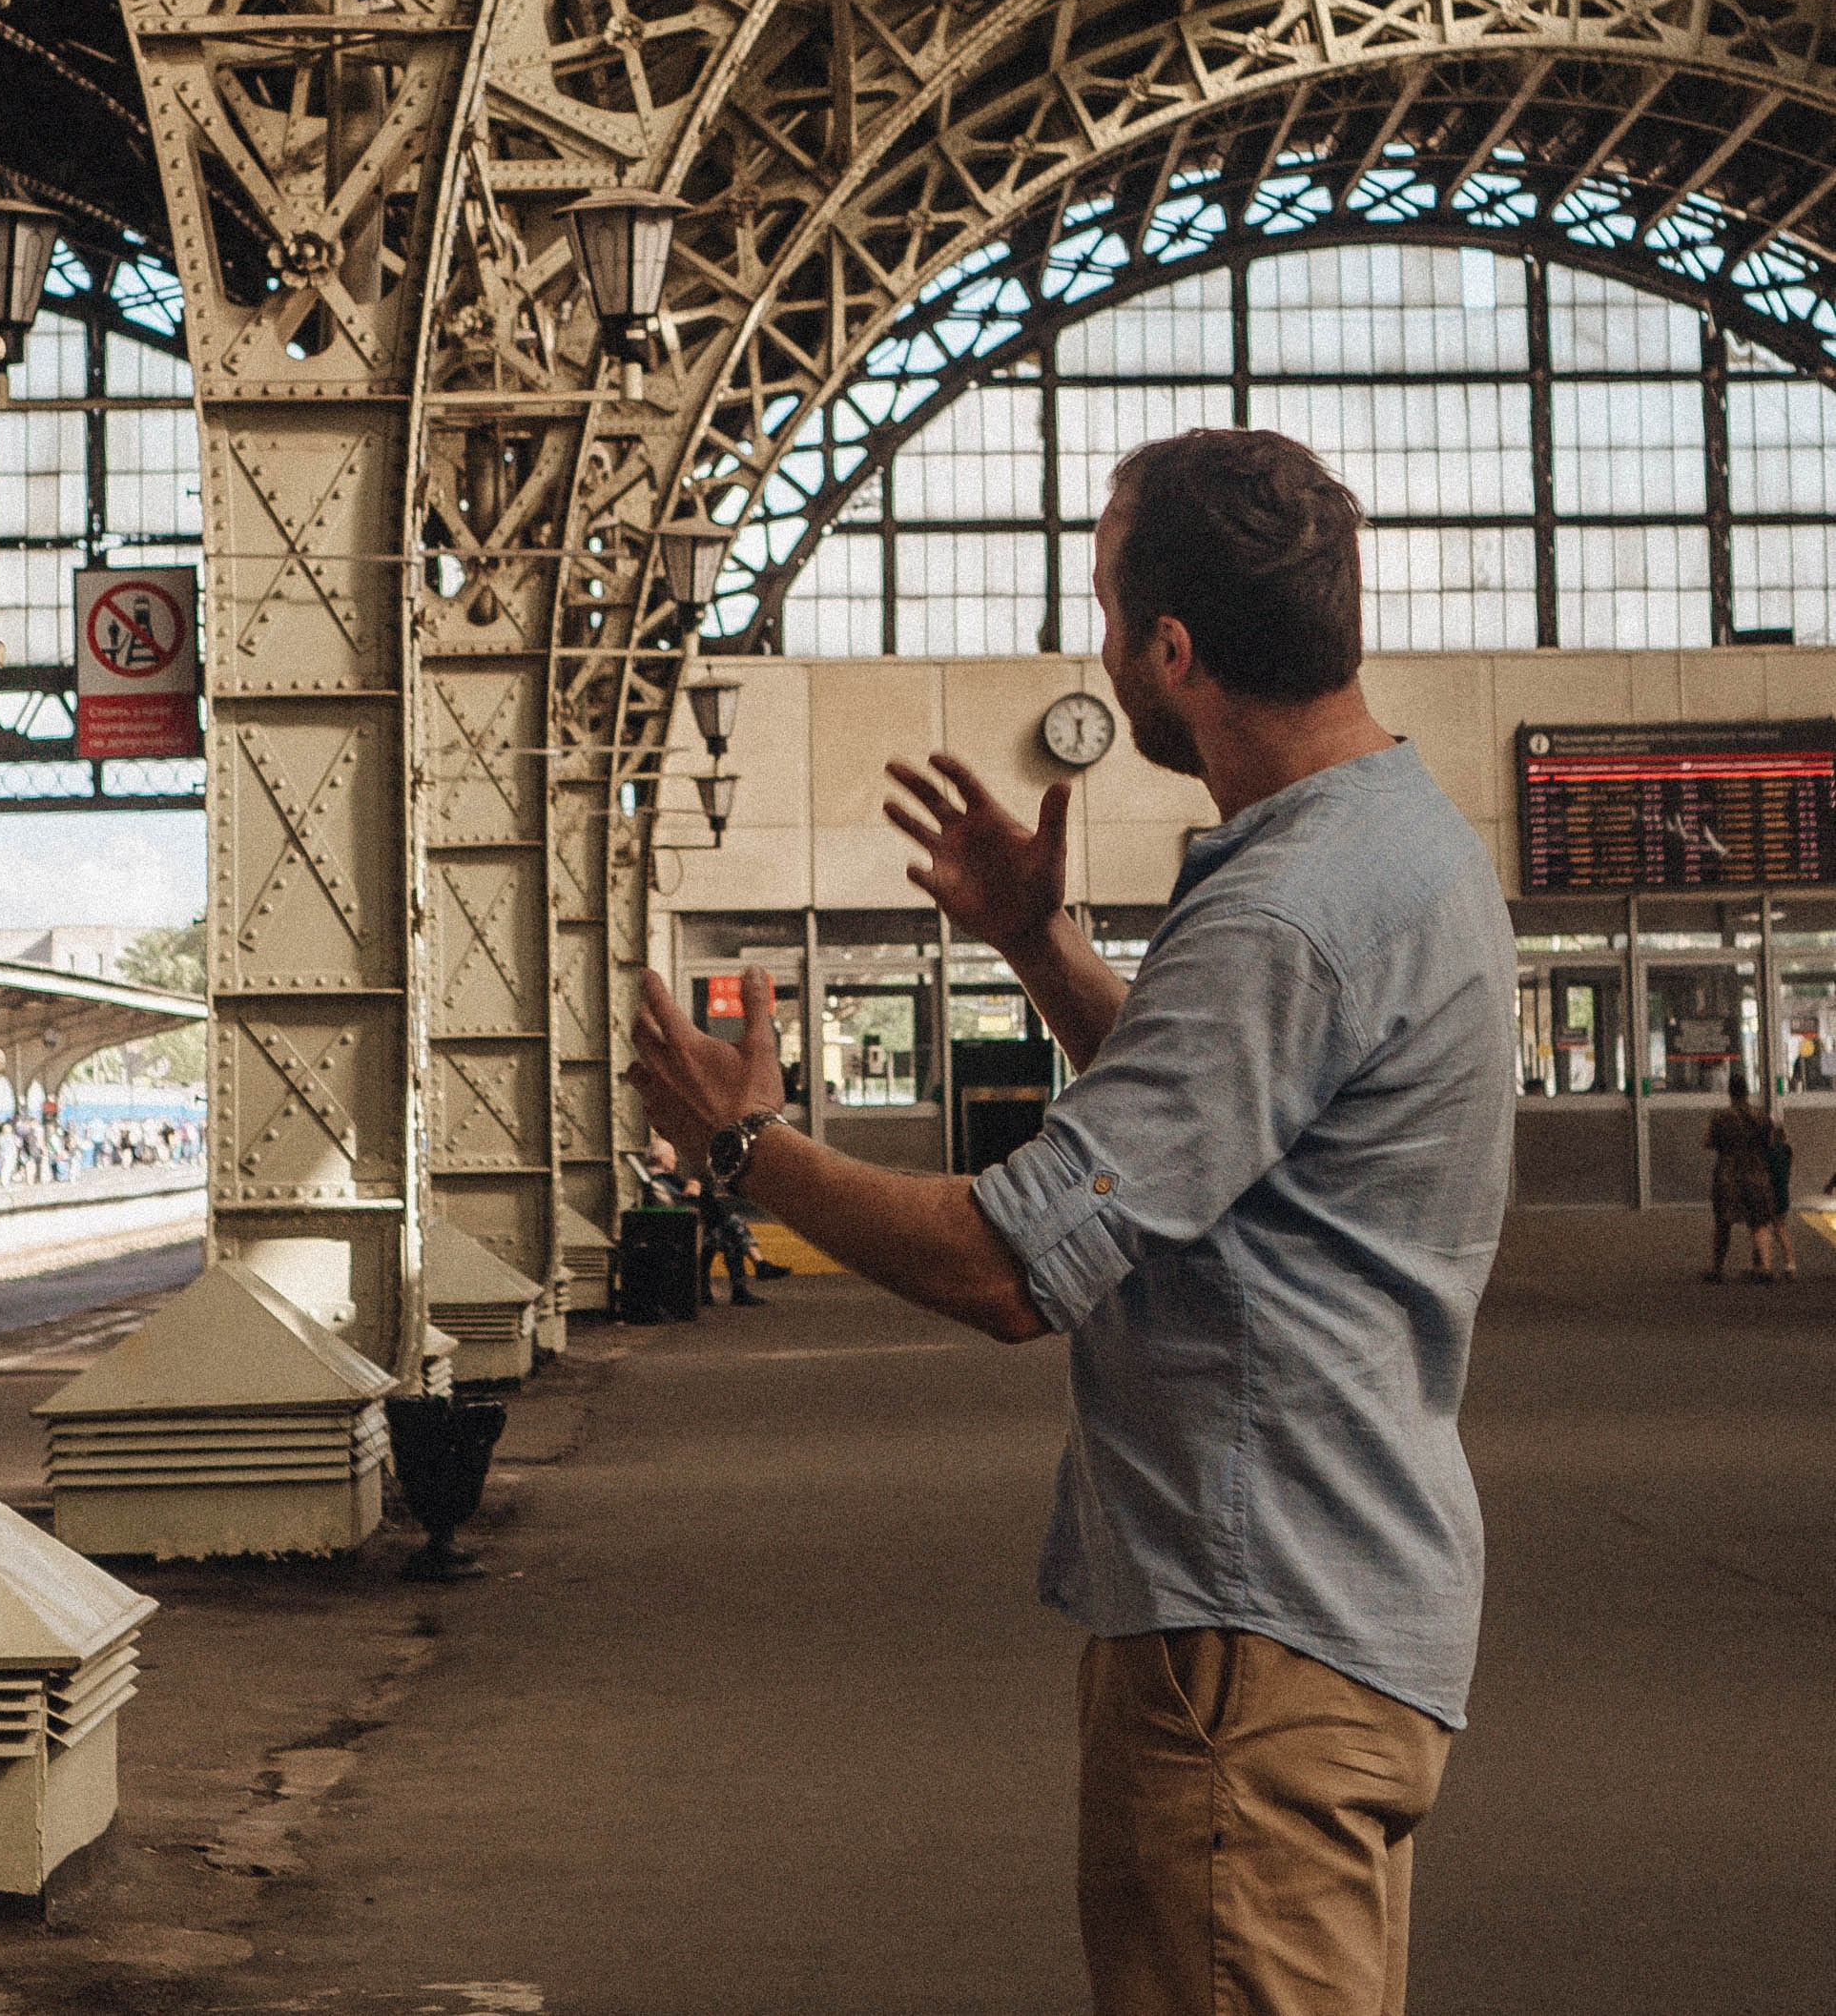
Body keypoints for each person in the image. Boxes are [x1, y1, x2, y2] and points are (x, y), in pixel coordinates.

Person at [629, 428, 1516, 2016]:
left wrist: (739, 1142)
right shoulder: (1400, 844)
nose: (1097, 639)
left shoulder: (1278, 909)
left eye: (1104, 609)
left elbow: (1008, 1263)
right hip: (1335, 1602)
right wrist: (1042, 947)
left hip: (1254, 1633)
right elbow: (1213, 1137)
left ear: (1164, 652)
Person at [1704, 1068, 1776, 1282]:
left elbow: (1707, 1141)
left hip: (1728, 1173)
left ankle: (1717, 1268)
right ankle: (1765, 1267)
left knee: (1723, 1222)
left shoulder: (1720, 1116)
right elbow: (1771, 1142)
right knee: (1759, 1222)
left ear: (1730, 1092)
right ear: (1747, 1092)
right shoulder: (1761, 1116)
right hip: (1756, 1171)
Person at [1764, 1107, 1797, 1278]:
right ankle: (1788, 1262)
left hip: (1772, 1194)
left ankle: (1785, 1262)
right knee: (1780, 1228)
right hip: (1784, 1193)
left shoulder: (1770, 1152)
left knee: (1765, 1228)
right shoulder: (1787, 1151)